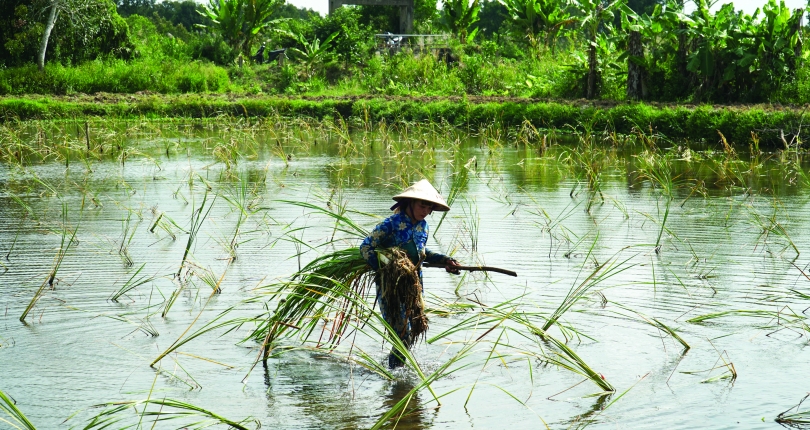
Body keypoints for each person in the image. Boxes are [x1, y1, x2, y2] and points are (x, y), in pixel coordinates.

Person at [360, 179, 461, 368]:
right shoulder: (391, 224)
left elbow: (422, 253)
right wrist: (388, 267)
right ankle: (395, 379)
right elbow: (366, 247)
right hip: (391, 288)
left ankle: (396, 374)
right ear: (411, 203)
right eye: (422, 205)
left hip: (413, 287)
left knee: (413, 330)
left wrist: (445, 260)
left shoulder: (423, 227)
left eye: (429, 207)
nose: (425, 211)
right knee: (402, 335)